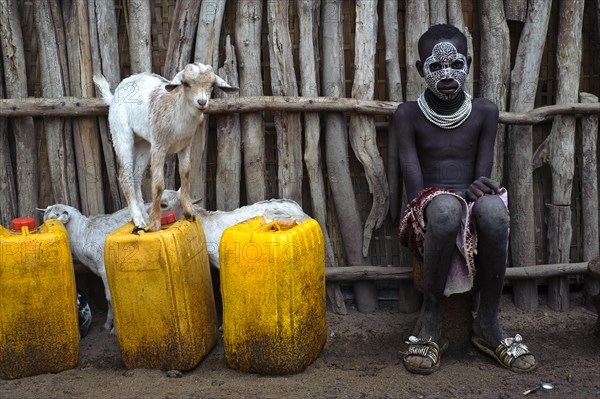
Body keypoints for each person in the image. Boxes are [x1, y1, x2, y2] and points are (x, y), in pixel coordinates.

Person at [388, 24, 537, 375]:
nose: (447, 74)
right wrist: (445, 200)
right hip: (428, 207)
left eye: (455, 63)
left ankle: (488, 323)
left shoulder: (485, 111)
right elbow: (415, 191)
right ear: (419, 69)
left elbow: (480, 182)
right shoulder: (408, 114)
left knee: (494, 212)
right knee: (443, 211)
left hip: (468, 203)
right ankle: (431, 322)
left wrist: (476, 192)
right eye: (435, 67)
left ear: (468, 62)